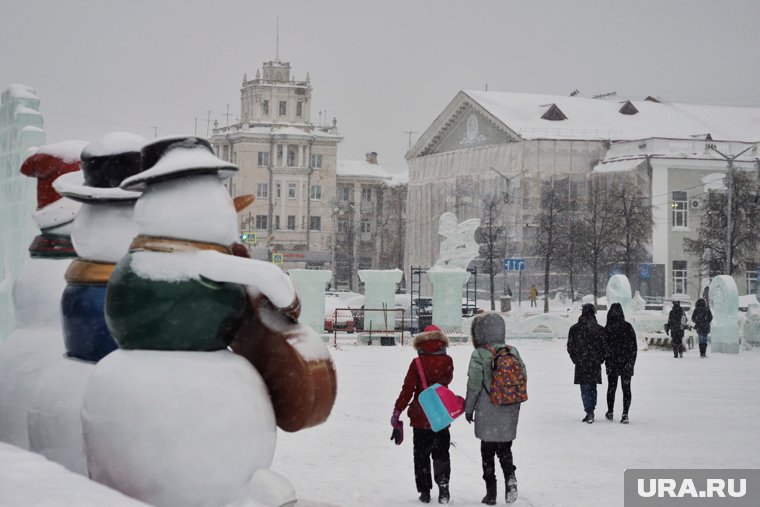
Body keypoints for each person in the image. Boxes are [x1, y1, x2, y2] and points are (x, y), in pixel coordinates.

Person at [464, 313, 525, 505]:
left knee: (487, 452)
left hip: (487, 409)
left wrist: (469, 409)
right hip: (509, 407)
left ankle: (491, 494)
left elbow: (474, 386)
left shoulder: (479, 354)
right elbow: (523, 377)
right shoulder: (512, 351)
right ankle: (510, 478)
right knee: (505, 449)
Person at [392, 325, 454, 504]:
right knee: (442, 453)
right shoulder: (447, 360)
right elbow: (447, 380)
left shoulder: (416, 363)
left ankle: (425, 491)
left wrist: (398, 410)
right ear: (441, 341)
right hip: (440, 415)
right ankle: (443, 486)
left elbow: (408, 389)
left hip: (420, 415)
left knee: (421, 455)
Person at [567, 303, 605, 423]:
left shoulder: (574, 329)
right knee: (592, 386)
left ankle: (588, 410)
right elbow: (604, 347)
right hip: (594, 363)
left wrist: (576, 359)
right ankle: (591, 410)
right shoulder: (599, 329)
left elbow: (570, 347)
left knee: (584, 387)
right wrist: (600, 359)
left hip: (581, 362)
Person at [603, 303, 637, 424]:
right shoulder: (628, 327)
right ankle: (625, 414)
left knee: (611, 388)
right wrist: (631, 363)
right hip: (626, 363)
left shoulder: (607, 328)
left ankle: (610, 411)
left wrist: (606, 360)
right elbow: (634, 348)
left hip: (612, 363)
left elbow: (604, 347)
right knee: (626, 389)